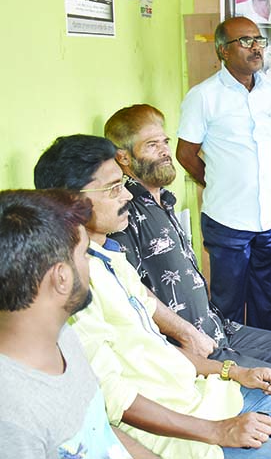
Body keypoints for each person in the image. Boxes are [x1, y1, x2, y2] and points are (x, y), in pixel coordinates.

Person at [34, 135, 271, 459]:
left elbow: (157, 348)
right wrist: (219, 431)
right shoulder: (76, 287)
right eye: (113, 189)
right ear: (71, 202)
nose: (127, 195)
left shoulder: (110, 256)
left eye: (123, 184)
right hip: (169, 432)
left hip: (191, 396)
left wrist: (233, 371)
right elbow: (114, 400)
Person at [105, 103, 271, 382]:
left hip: (216, 328)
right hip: (190, 345)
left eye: (164, 142)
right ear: (123, 158)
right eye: (151, 145)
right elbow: (132, 292)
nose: (164, 152)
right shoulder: (126, 212)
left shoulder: (165, 201)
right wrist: (188, 337)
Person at [0, 189, 156, 458]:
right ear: (61, 278)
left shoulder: (62, 336)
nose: (90, 264)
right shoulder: (13, 420)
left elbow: (99, 430)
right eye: (84, 254)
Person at [176, 16, 271, 330]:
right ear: (223, 51)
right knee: (226, 304)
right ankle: (232, 369)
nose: (256, 47)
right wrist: (216, 179)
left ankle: (266, 366)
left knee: (268, 303)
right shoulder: (203, 96)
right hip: (227, 220)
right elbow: (185, 154)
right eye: (245, 41)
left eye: (259, 40)